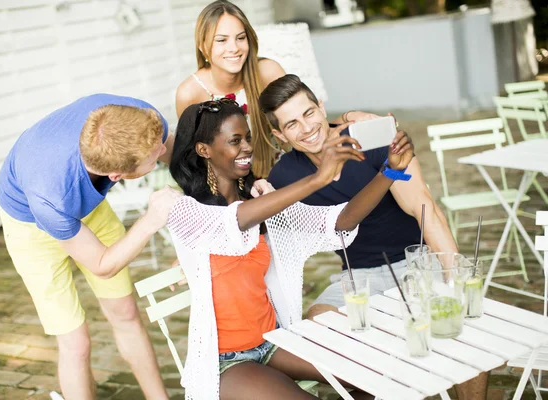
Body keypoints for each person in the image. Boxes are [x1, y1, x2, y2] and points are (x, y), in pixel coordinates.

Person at [165, 97, 414, 399]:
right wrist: (320, 178)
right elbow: (234, 221)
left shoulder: (259, 202)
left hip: (273, 343)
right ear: (204, 150)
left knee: (383, 376)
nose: (246, 148)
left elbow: (340, 221)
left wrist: (389, 171)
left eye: (248, 139)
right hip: (227, 361)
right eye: (235, 141)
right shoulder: (185, 211)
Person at [259, 74, 488, 400]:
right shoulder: (284, 176)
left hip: (415, 261)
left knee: (464, 332)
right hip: (358, 276)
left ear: (322, 107)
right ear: (279, 134)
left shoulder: (374, 139)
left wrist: (453, 276)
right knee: (319, 323)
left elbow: (423, 207)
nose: (307, 128)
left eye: (309, 113)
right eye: (292, 124)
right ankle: (394, 379)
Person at [0, 93, 181, 400]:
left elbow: (176, 156)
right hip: (30, 226)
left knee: (124, 311)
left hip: (87, 209)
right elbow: (102, 265)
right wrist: (151, 220)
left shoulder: (142, 121)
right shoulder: (52, 196)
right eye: (154, 157)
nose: (162, 149)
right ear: (118, 176)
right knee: (75, 341)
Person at [175, 0, 366, 178]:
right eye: (221, 40)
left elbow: (301, 126)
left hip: (282, 173)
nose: (234, 48)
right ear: (202, 46)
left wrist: (347, 118)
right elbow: (193, 159)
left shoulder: (267, 71)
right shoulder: (189, 93)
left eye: (240, 38)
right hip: (230, 187)